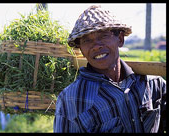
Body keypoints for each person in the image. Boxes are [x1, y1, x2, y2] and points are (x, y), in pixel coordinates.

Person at [53, 5, 166, 133]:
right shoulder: (71, 99)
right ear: (81, 51)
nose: (96, 46)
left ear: (120, 39)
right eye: (87, 40)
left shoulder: (153, 85)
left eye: (103, 36)